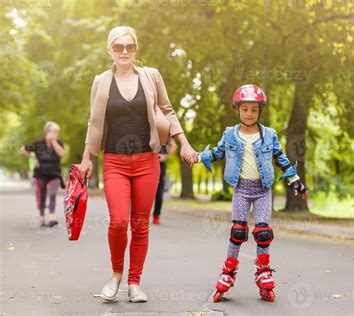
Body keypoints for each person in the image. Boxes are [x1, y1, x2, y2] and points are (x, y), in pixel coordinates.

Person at [78, 26, 197, 303]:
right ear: (109, 49)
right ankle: (116, 274)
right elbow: (93, 121)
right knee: (119, 221)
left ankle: (134, 282)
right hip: (115, 163)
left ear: (136, 49)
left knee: (140, 224)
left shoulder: (151, 76)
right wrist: (86, 157)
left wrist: (185, 143)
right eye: (118, 47)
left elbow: (168, 110)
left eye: (129, 46)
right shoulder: (101, 81)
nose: (124, 51)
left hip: (147, 160)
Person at [195, 84, 309, 302]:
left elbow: (281, 159)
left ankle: (263, 274)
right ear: (237, 109)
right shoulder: (230, 134)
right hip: (241, 189)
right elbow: (218, 152)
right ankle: (227, 274)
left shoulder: (269, 135)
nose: (249, 113)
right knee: (238, 232)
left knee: (263, 233)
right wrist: (198, 157)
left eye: (254, 110)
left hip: (263, 189)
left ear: (260, 111)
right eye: (245, 109)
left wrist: (297, 183)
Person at [20, 121, 65, 228]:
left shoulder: (58, 142)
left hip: (55, 173)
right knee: (41, 195)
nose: (57, 134)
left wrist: (54, 142)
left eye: (57, 132)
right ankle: (42, 218)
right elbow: (23, 149)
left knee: (53, 194)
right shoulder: (38, 144)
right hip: (40, 173)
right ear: (47, 132)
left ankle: (51, 218)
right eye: (55, 132)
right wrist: (34, 157)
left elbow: (61, 153)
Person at [152, 139, 177, 225]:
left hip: (161, 165)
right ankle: (141, 216)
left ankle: (156, 216)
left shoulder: (165, 130)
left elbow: (173, 145)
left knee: (159, 193)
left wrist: (166, 156)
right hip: (147, 163)